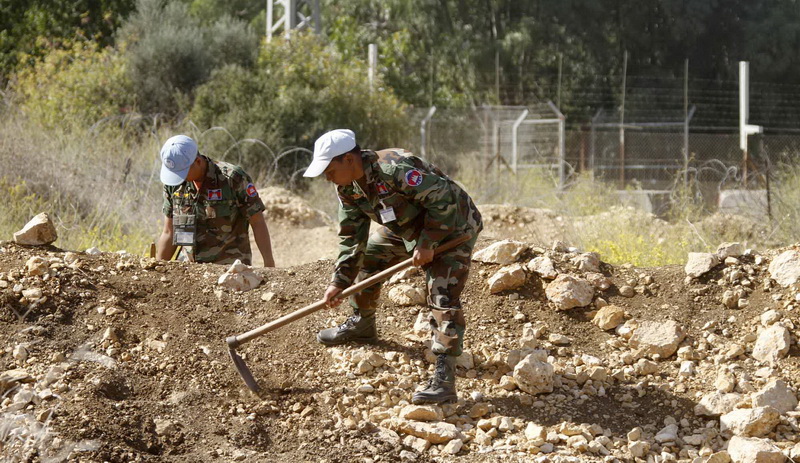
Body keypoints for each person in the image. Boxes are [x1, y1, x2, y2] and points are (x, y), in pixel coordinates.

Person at [304, 129, 482, 404]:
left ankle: (444, 380)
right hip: (408, 228)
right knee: (371, 257)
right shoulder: (347, 187)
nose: (327, 177)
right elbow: (352, 236)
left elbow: (444, 200)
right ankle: (362, 324)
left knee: (441, 293)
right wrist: (339, 281)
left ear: (349, 159)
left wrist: (428, 242)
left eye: (330, 170)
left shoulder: (394, 169)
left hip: (453, 225)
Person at [156, 135, 275, 267]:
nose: (179, 178)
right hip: (189, 270)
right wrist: (157, 268)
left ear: (198, 161)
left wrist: (269, 264)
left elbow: (257, 221)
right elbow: (169, 232)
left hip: (230, 269)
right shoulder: (174, 185)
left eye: (182, 172)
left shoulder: (232, 178)